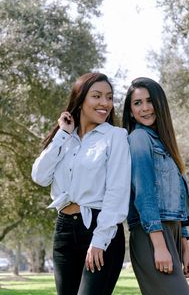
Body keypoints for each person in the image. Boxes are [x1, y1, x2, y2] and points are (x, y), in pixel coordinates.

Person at [32, 72, 131, 295]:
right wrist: (62, 134)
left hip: (99, 228)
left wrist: (100, 240)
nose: (104, 103)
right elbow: (40, 176)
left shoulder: (116, 136)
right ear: (81, 98)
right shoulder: (65, 138)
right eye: (97, 96)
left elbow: (118, 191)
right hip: (64, 229)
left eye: (108, 97)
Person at [122, 77, 189, 295]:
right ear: (131, 110)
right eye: (137, 103)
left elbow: (179, 200)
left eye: (149, 101)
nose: (144, 108)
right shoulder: (138, 139)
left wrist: (185, 247)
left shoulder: (166, 144)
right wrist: (160, 246)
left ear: (159, 104)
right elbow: (144, 194)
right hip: (151, 235)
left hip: (171, 232)